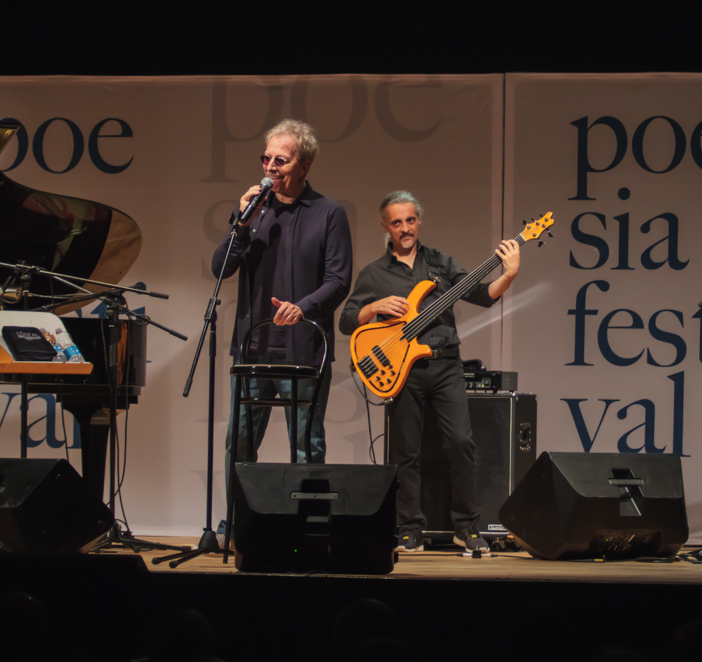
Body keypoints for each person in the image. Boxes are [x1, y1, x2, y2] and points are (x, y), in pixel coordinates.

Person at [339, 192, 519, 555]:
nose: (405, 228)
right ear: (385, 226)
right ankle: (409, 528)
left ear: (418, 220)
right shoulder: (374, 273)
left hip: (445, 364)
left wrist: (510, 272)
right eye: (397, 222)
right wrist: (373, 306)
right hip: (402, 372)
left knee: (461, 443)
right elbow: (346, 321)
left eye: (410, 220)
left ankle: (466, 525)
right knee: (406, 451)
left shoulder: (440, 263)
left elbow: (483, 295)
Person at [211, 120, 352, 464]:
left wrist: (302, 308)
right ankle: (238, 519)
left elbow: (339, 281)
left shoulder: (328, 213)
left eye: (281, 160)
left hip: (302, 351)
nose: (270, 167)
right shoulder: (253, 212)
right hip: (253, 350)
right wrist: (241, 224)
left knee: (306, 447)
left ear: (305, 165)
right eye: (266, 158)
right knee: (239, 446)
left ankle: (303, 519)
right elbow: (221, 268)